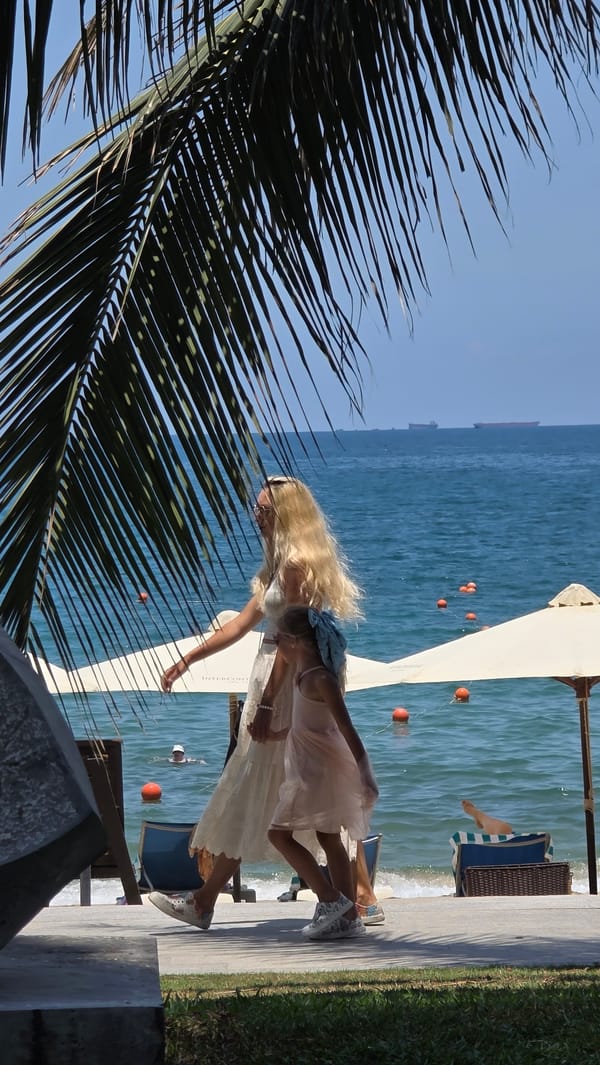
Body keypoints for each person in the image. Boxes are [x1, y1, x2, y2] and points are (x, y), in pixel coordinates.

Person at [149, 475, 362, 930]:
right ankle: (343, 908)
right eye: (256, 509)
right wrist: (188, 657)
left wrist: (266, 704)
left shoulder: (295, 566)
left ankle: (335, 905)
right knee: (268, 794)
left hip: (284, 685)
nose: (256, 517)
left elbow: (291, 642)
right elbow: (243, 623)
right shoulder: (280, 564)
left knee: (266, 791)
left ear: (286, 516)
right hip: (275, 678)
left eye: (264, 511)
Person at [266, 606, 379, 940]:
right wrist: (277, 733)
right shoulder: (304, 674)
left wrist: (366, 774)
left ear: (298, 642)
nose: (276, 646)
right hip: (306, 763)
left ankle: (332, 901)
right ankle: (347, 918)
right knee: (329, 837)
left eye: (279, 640)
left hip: (316, 769)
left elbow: (347, 729)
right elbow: (310, 724)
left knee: (278, 834)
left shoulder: (320, 678)